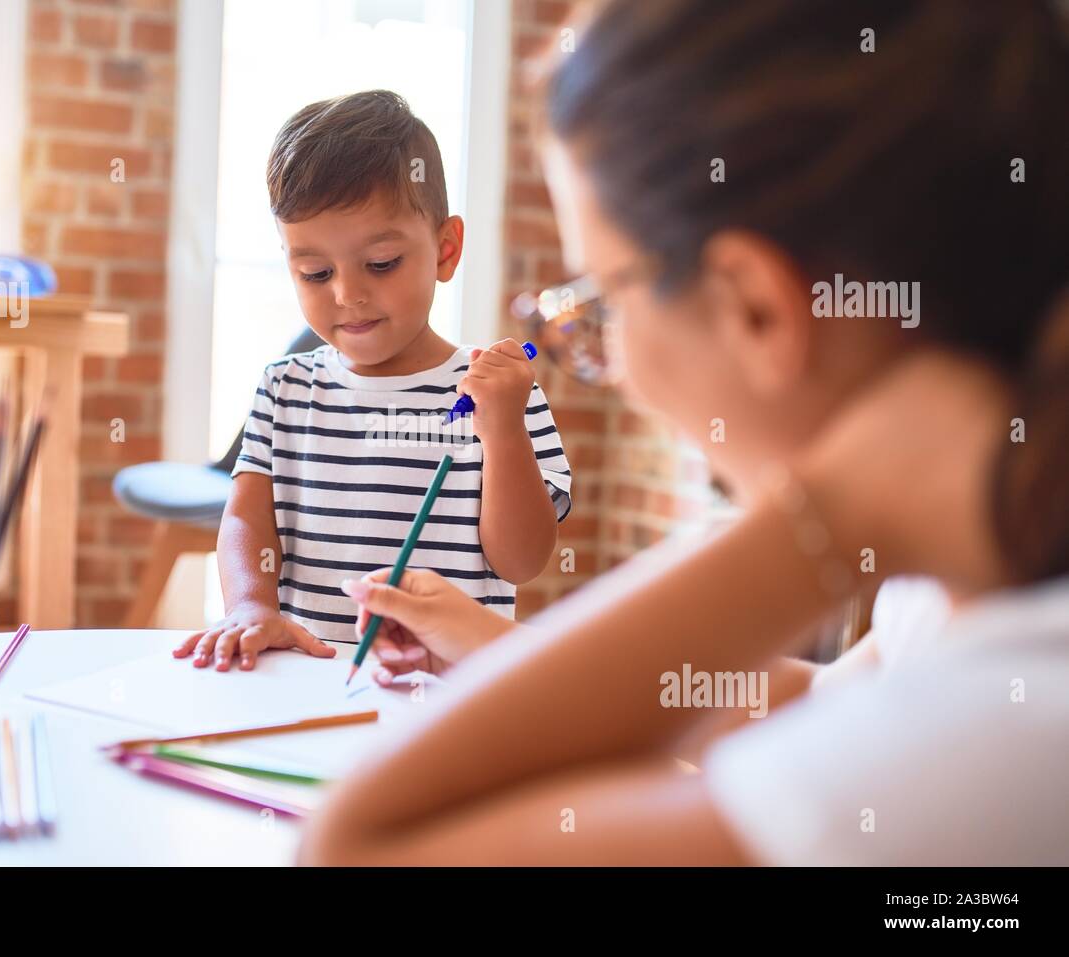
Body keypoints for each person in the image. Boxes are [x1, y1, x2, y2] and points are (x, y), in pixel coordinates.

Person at [301, 0, 1069, 865]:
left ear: (756, 308)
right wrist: (495, 647)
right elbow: (812, 707)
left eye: (606, 300)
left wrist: (827, 517)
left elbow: (358, 845)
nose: (616, 364)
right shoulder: (973, 601)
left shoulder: (1006, 741)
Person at [174, 90, 572, 671]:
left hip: (445, 692)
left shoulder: (501, 392)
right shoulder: (285, 389)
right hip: (305, 677)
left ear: (445, 248)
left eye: (381, 263)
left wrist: (503, 432)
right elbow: (244, 518)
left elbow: (521, 561)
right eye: (315, 272)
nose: (347, 294)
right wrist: (251, 605)